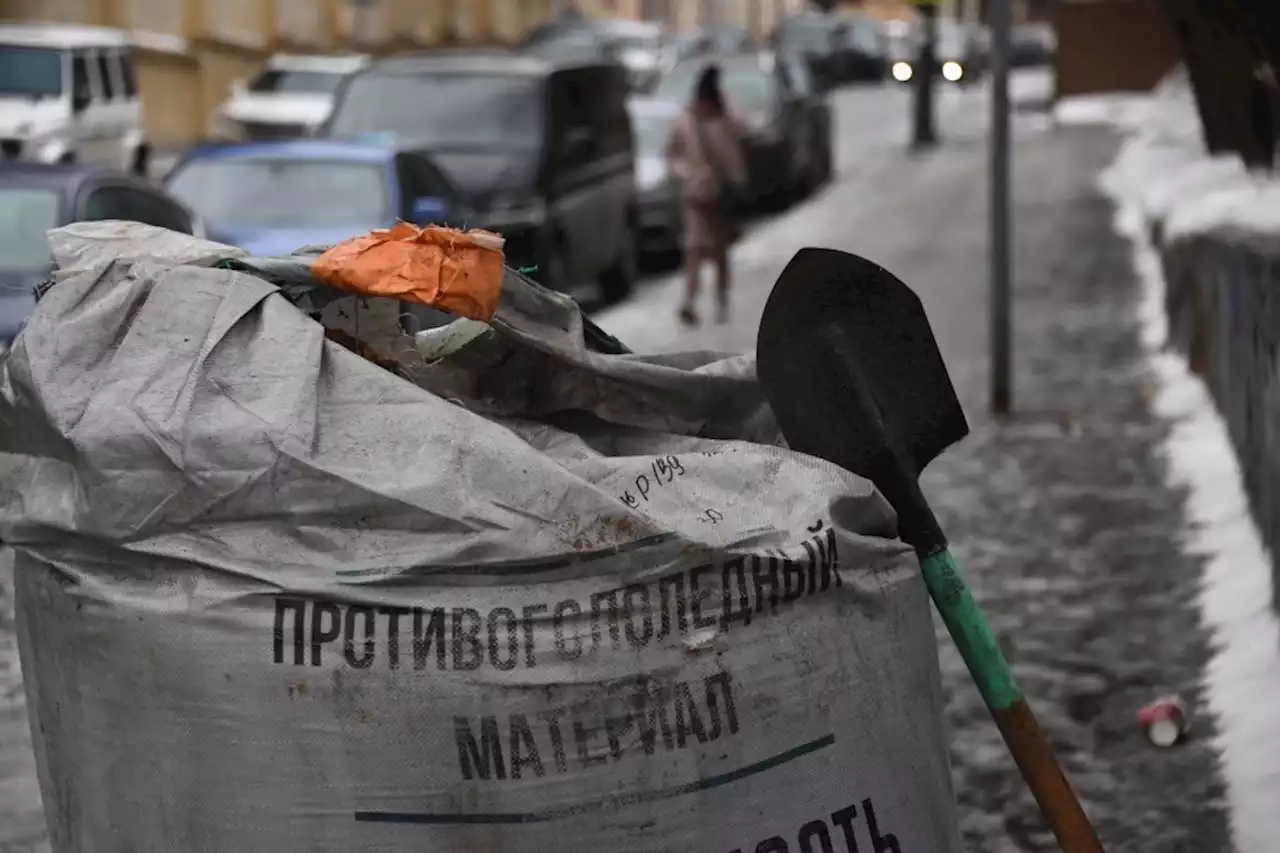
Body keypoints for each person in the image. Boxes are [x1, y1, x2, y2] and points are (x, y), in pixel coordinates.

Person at [664, 64, 748, 327]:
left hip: (721, 194)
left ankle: (721, 300)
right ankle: (689, 301)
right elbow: (671, 154)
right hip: (696, 195)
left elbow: (743, 131)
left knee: (721, 251)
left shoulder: (725, 116)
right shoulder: (686, 120)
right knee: (694, 247)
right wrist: (687, 174)